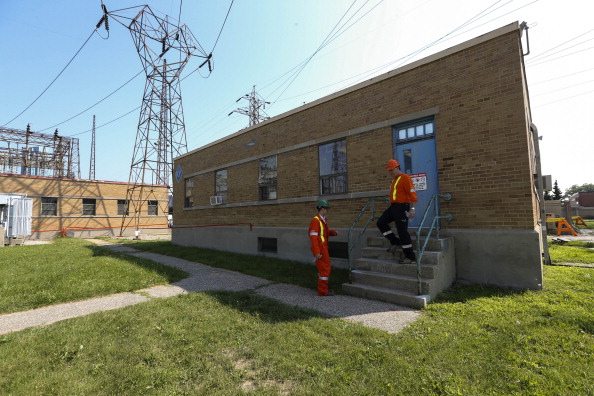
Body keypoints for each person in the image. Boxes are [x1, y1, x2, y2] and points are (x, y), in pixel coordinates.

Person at [377, 159, 418, 264]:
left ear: (397, 168)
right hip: (394, 207)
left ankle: (411, 257)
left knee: (402, 231)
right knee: (381, 222)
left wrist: (412, 208)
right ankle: (395, 241)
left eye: (392, 170)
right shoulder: (394, 180)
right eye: (389, 170)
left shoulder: (405, 177)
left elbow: (412, 194)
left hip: (402, 207)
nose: (390, 172)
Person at [308, 199, 339, 296]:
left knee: (323, 269)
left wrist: (332, 232)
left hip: (323, 248)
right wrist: (317, 252)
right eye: (326, 208)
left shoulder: (322, 220)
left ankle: (323, 287)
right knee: (325, 269)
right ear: (321, 208)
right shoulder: (316, 221)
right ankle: (323, 291)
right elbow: (313, 238)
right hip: (321, 249)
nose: (327, 210)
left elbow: (323, 233)